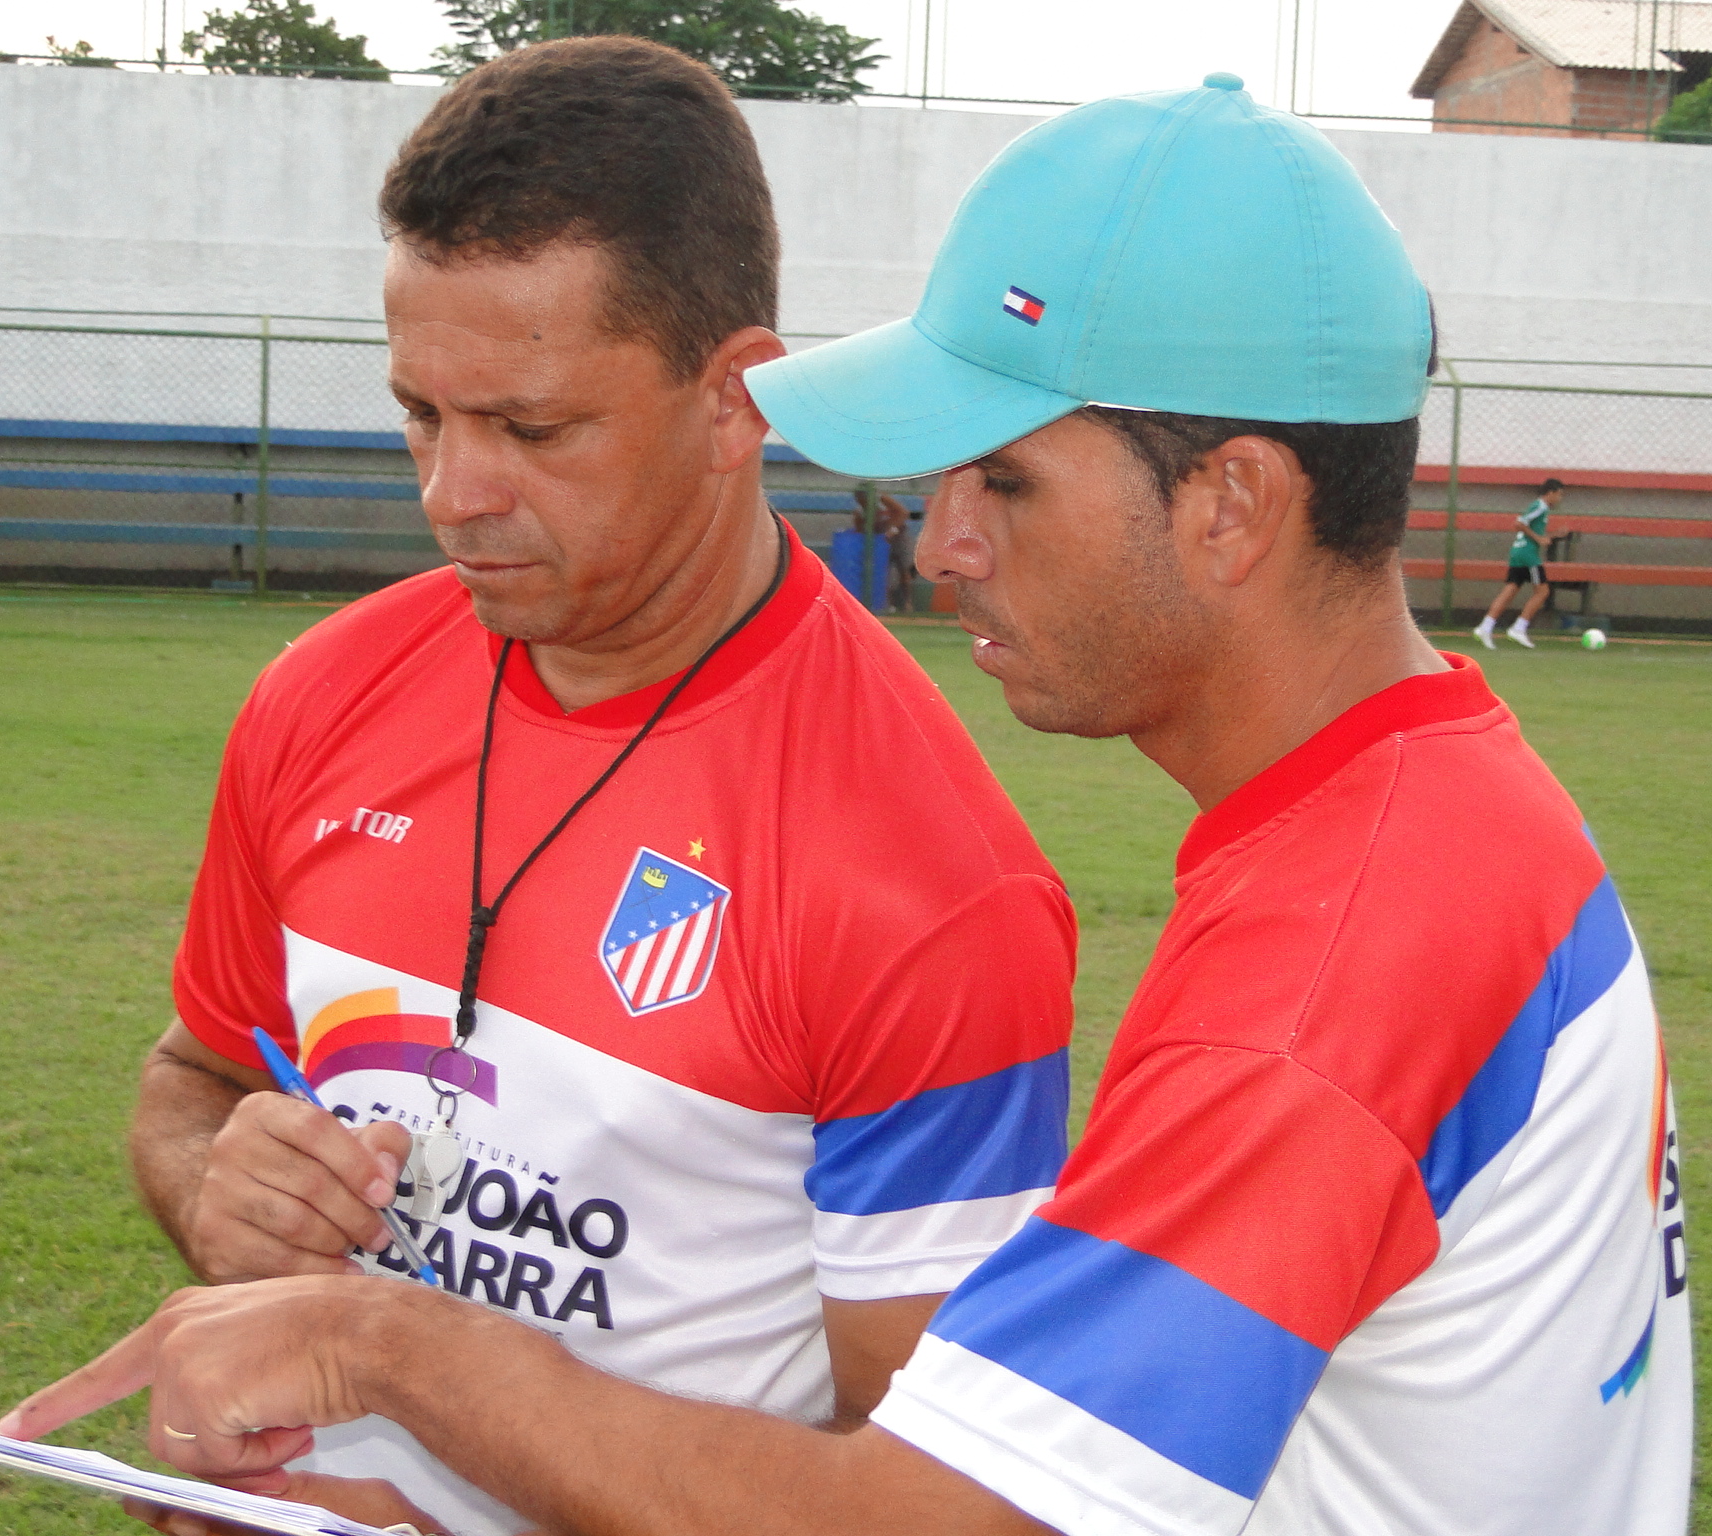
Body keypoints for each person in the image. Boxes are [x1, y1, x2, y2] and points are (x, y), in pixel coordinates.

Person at [3, 74, 1692, 1536]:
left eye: (1004, 479)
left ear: (1229, 506)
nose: (940, 539)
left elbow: (934, 1515)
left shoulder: (1331, 963)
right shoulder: (1435, 826)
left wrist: (388, 1347)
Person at [111, 37, 1076, 1536]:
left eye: (532, 428)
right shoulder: (322, 696)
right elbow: (192, 1081)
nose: (454, 495)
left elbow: (929, 1500)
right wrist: (211, 1185)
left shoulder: (929, 878)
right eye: (421, 416)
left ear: (736, 400)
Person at [1475, 478, 1566, 649]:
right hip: (1528, 555)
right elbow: (1519, 524)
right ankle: (1519, 628)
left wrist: (1552, 535)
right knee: (1542, 591)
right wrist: (1539, 538)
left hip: (1518, 553)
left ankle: (1485, 627)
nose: (1560, 499)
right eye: (1559, 494)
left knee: (1510, 590)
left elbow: (1534, 534)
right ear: (1551, 493)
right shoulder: (1540, 506)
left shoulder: (1541, 509)